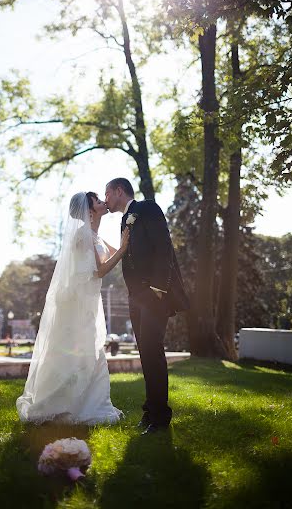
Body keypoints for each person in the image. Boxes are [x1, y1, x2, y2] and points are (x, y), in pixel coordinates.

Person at [16, 191, 130, 425]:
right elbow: (100, 270)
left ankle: (88, 401)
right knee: (76, 349)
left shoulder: (95, 235)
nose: (103, 202)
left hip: (88, 300)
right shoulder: (83, 234)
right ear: (90, 211)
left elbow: (113, 252)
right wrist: (124, 247)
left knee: (91, 348)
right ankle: (61, 403)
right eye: (98, 201)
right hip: (77, 302)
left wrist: (125, 242)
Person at [105, 177, 190, 435]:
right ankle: (150, 411)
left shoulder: (148, 208)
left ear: (119, 191)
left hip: (154, 294)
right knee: (145, 354)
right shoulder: (124, 219)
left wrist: (159, 288)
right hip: (136, 297)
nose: (105, 199)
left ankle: (161, 418)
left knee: (153, 352)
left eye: (107, 194)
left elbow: (164, 247)